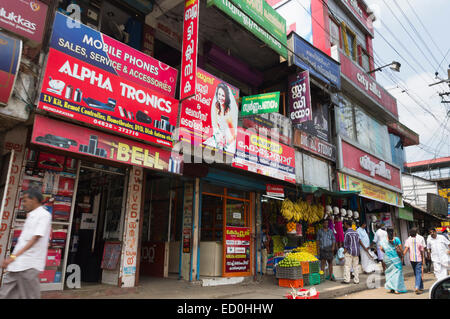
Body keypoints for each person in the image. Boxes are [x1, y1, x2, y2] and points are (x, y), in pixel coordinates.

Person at [0, 189, 52, 299]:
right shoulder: (31, 215)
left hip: (29, 266)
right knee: (5, 295)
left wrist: (12, 257)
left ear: (34, 200)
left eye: (25, 200)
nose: (23, 204)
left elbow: (34, 239)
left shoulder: (44, 215)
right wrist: (12, 259)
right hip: (16, 266)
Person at [207, 82, 238, 153]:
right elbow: (214, 123)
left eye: (223, 95)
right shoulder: (216, 106)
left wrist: (226, 141)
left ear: (226, 97)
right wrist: (217, 136)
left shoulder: (228, 112)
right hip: (217, 137)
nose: (220, 97)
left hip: (226, 141)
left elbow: (233, 134)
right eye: (219, 94)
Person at [380, 228, 407, 294]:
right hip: (395, 258)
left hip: (387, 258)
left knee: (389, 272)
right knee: (397, 272)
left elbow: (381, 249)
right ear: (393, 232)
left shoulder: (383, 240)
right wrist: (403, 253)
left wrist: (387, 252)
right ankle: (396, 289)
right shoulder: (396, 239)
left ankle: (390, 288)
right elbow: (400, 248)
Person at [403, 228, 425, 294]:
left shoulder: (408, 240)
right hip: (418, 259)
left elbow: (406, 249)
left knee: (417, 273)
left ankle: (420, 287)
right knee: (418, 273)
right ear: (416, 233)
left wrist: (402, 255)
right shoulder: (419, 240)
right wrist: (423, 258)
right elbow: (422, 251)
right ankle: (417, 287)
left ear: (409, 234)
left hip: (412, 259)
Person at [342, 220, 360, 284]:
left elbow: (346, 244)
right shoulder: (356, 232)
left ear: (347, 224)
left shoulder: (347, 233)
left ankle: (347, 280)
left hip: (349, 251)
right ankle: (356, 280)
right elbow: (358, 242)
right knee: (356, 266)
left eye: (344, 224)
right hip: (356, 251)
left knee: (347, 266)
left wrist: (344, 252)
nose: (344, 225)